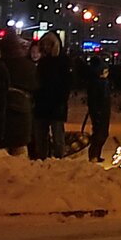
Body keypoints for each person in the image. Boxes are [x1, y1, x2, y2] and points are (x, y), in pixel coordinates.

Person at [33, 31, 71, 159]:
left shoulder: (62, 61)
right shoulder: (43, 62)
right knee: (41, 135)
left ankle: (58, 159)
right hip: (42, 103)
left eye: (49, 44)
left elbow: (67, 83)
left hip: (55, 103)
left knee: (57, 135)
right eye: (44, 45)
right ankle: (42, 158)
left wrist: (61, 99)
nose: (47, 47)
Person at [1, 29, 38, 156]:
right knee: (20, 147)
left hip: (2, 108)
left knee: (1, 152)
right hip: (22, 108)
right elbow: (35, 85)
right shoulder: (28, 66)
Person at [86, 53, 112, 163]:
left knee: (102, 133)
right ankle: (94, 155)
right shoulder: (97, 83)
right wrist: (97, 111)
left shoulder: (102, 83)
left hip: (103, 110)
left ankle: (96, 154)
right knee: (99, 133)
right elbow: (95, 99)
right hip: (100, 111)